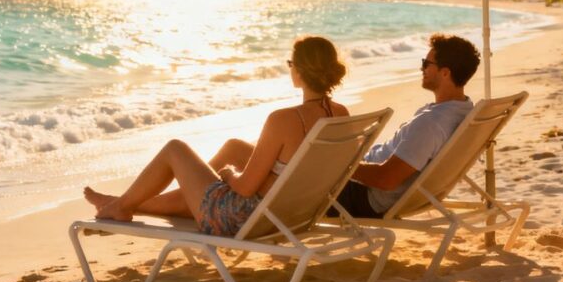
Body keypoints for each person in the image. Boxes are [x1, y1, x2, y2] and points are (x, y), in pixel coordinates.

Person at [83, 36, 348, 237]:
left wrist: (229, 174)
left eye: (291, 64)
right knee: (233, 147)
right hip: (293, 215)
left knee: (175, 149)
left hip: (244, 220)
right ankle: (125, 202)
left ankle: (122, 204)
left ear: (299, 71)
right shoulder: (340, 115)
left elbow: (244, 188)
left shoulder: (283, 119)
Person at [332, 33, 480, 219]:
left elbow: (386, 179)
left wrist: (339, 167)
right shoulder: (464, 110)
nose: (422, 68)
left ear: (445, 72)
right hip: (366, 178)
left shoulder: (430, 124)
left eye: (426, 64)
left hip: (362, 195)